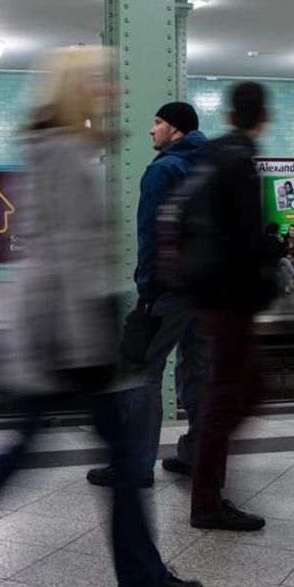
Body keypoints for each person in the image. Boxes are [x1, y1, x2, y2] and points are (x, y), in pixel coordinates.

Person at [0, 47, 205, 587]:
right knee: (117, 460)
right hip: (67, 342)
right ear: (76, 88)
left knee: (29, 455)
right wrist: (94, 350)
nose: (112, 91)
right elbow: (69, 261)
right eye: (101, 81)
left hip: (56, 337)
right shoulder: (67, 155)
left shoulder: (55, 148)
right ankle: (141, 579)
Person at [86, 100, 208, 488]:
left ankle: (135, 466)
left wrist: (148, 288)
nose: (151, 130)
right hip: (206, 289)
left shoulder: (164, 170)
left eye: (157, 123)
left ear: (176, 129)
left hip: (170, 288)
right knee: (198, 370)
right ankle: (196, 455)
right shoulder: (210, 165)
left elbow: (152, 234)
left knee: (141, 372)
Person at [184, 82, 278, 531]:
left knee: (244, 389)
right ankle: (206, 497)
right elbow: (245, 235)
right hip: (230, 296)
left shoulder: (211, 155)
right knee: (229, 398)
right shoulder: (239, 160)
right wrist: (267, 279)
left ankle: (206, 471)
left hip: (210, 291)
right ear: (264, 116)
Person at [268, 222, 294, 293]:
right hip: (274, 261)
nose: (291, 231)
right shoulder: (280, 239)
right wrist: (287, 247)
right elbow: (277, 252)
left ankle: (288, 286)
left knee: (287, 266)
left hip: (287, 259)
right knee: (285, 261)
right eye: (290, 230)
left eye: (293, 230)